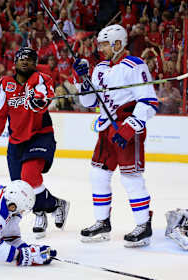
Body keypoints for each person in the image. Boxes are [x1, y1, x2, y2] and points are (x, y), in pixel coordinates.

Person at [72, 24, 158, 247]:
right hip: (105, 129)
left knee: (131, 178)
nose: (100, 49)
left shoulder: (135, 65)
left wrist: (130, 127)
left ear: (118, 44)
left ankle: (143, 225)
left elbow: (149, 101)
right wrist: (82, 81)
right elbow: (90, 102)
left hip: (127, 128)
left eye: (104, 45)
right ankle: (102, 222)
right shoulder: (100, 67)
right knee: (98, 174)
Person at [0, 47, 69, 239]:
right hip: (16, 141)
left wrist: (39, 101)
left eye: (30, 59)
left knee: (29, 175)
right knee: (19, 188)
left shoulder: (40, 79)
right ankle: (54, 205)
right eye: (21, 58)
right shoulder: (3, 84)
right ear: (14, 63)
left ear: (35, 64)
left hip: (40, 135)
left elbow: (43, 95)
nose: (25, 61)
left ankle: (41, 211)